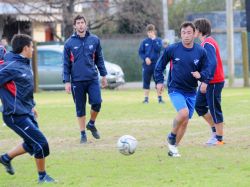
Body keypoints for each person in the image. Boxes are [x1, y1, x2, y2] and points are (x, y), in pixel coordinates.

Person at [0, 34, 56, 183]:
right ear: (25, 48)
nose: (33, 50)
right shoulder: (10, 67)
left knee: (31, 144)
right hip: (14, 114)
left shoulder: (25, 63)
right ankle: (42, 177)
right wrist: (6, 102)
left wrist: (32, 106)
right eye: (31, 47)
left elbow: (24, 88)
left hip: (26, 110)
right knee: (41, 143)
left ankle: (5, 158)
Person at [154, 21, 210, 157]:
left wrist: (201, 76)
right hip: (175, 89)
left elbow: (207, 70)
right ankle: (172, 135)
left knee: (185, 122)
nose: (186, 35)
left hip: (191, 91)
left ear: (194, 34)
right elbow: (159, 65)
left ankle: (173, 148)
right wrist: (159, 81)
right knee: (183, 113)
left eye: (189, 32)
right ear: (180, 34)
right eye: (183, 33)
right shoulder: (172, 49)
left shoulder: (201, 51)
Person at [63, 15, 107, 144]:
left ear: (86, 25)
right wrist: (67, 81)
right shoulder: (69, 43)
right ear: (75, 26)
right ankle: (83, 134)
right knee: (80, 108)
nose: (81, 25)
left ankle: (91, 123)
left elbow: (99, 58)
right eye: (78, 23)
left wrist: (103, 75)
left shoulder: (94, 40)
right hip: (77, 81)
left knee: (97, 102)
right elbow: (66, 64)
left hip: (92, 78)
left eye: (82, 22)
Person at [194, 18, 225, 145]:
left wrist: (205, 81)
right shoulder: (204, 43)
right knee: (199, 106)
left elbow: (212, 63)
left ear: (200, 30)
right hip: (208, 81)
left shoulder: (208, 43)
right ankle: (214, 131)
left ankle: (219, 139)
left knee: (214, 108)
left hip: (214, 82)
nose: (193, 31)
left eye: (194, 29)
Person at [138, 24, 164, 104]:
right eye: (148, 32)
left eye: (151, 32)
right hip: (147, 65)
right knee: (146, 81)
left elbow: (159, 49)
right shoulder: (144, 42)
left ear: (154, 31)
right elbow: (140, 52)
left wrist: (154, 40)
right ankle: (146, 99)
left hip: (156, 65)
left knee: (158, 81)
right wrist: (145, 58)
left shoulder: (159, 40)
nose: (150, 33)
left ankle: (160, 99)